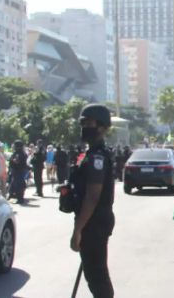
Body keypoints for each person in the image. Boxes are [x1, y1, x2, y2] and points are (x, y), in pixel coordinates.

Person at [69, 103, 115, 297]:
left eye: (90, 123)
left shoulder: (97, 157)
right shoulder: (90, 154)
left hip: (94, 222)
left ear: (103, 127)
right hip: (93, 221)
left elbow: (92, 196)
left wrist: (78, 230)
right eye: (83, 122)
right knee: (94, 274)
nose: (85, 126)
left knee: (97, 276)